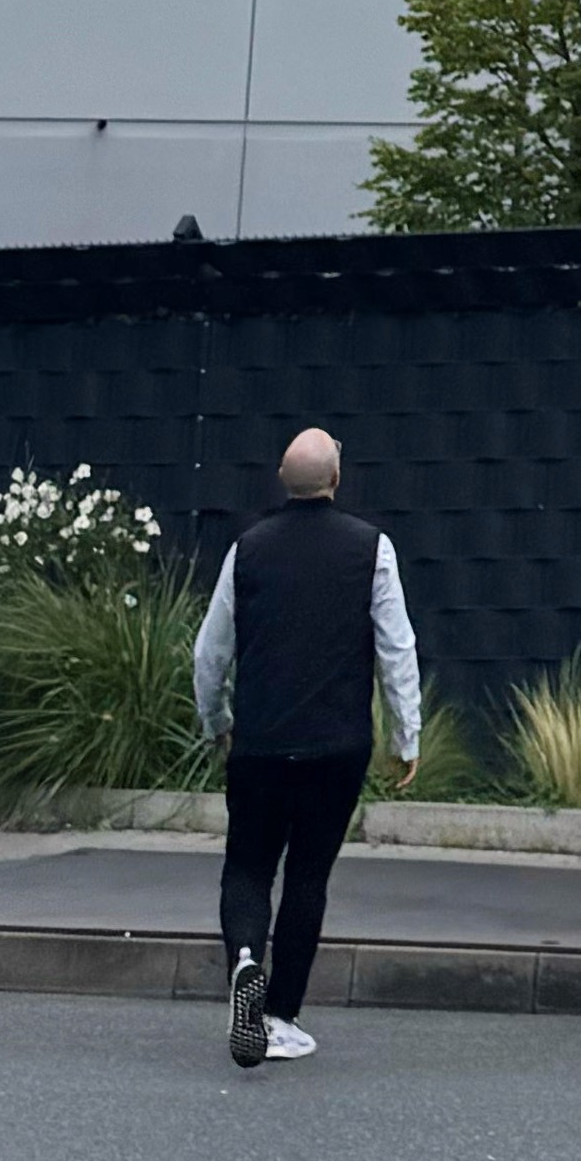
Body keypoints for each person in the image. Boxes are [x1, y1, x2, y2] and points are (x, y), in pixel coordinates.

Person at [191, 426, 421, 1071]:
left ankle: (243, 960)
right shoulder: (372, 549)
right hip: (336, 745)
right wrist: (408, 735)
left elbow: (210, 654)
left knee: (247, 867)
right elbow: (395, 649)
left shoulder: (248, 549)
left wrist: (218, 724)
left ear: (281, 480)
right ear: (336, 480)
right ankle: (281, 1016)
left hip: (261, 742)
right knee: (308, 877)